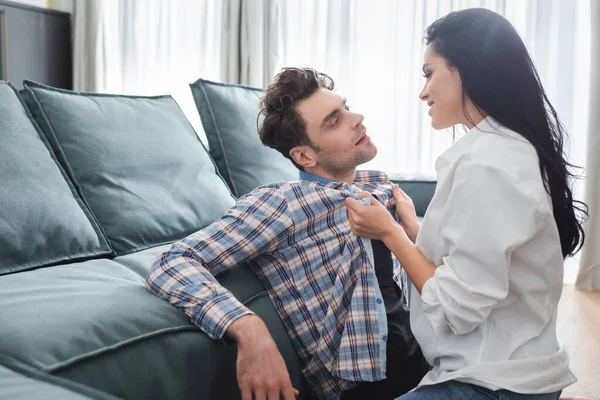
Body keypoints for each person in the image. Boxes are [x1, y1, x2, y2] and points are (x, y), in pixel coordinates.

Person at [345, 8, 588, 400]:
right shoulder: (505, 149)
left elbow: (457, 307)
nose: (423, 91)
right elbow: (482, 261)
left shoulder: (488, 163)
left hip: (492, 383)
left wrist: (389, 234)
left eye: (429, 73)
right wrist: (414, 229)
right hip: (509, 371)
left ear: (467, 69)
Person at [146, 67, 429, 400]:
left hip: (434, 365)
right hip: (375, 389)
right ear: (304, 156)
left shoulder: (384, 193)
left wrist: (413, 229)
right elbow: (173, 262)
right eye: (334, 120)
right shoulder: (282, 203)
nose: (357, 117)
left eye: (346, 107)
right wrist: (249, 329)